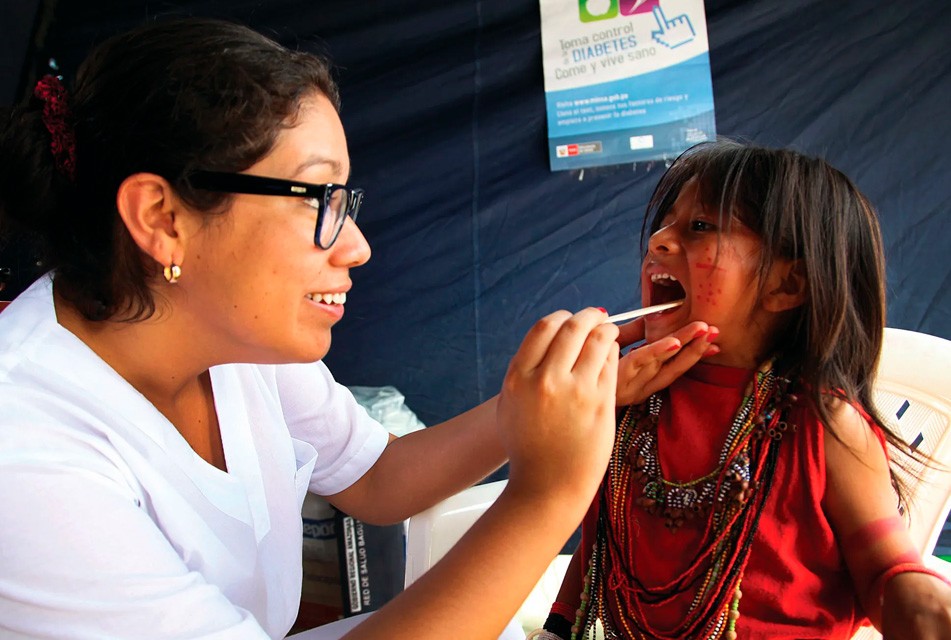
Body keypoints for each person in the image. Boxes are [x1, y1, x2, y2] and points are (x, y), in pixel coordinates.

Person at [0, 18, 719, 640]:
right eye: (320, 199)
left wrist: (532, 410)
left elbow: (379, 477)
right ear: (162, 219)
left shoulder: (237, 343)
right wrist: (549, 493)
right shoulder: (27, 456)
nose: (356, 246)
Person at [535, 140, 951, 640]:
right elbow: (604, 543)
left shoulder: (824, 427)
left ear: (785, 286)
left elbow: (888, 573)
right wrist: (559, 628)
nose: (658, 242)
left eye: (700, 227)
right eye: (665, 224)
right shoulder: (627, 400)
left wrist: (923, 606)